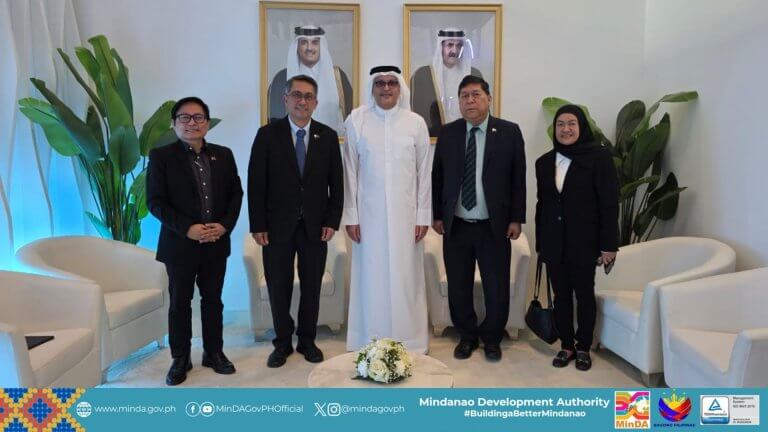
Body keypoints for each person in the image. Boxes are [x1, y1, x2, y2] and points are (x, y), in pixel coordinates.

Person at [147, 97, 243, 386]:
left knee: (213, 301)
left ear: (207, 122)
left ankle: (214, 353)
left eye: (198, 117)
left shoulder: (224, 155)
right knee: (180, 302)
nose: (192, 123)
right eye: (185, 117)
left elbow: (236, 194)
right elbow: (155, 202)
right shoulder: (162, 156)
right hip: (180, 245)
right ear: (174, 123)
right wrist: (187, 228)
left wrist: (224, 226)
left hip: (216, 242)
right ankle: (181, 357)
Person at [249, 75, 344, 368]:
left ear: (315, 102)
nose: (302, 101)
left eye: (308, 97)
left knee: (312, 286)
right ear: (286, 99)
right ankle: (282, 343)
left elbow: (337, 184)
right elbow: (256, 183)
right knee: (279, 286)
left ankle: (307, 340)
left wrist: (332, 220)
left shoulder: (327, 136)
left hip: (315, 227)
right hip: (276, 228)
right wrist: (258, 224)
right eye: (297, 95)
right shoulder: (267, 134)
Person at [432, 75, 526, 362]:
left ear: (488, 98)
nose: (470, 101)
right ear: (458, 102)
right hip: (457, 225)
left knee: (496, 287)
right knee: (458, 287)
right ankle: (467, 336)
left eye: (475, 95)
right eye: (464, 96)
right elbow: (438, 177)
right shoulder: (448, 133)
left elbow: (518, 179)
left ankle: (492, 339)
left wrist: (516, 218)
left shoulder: (509, 132)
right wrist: (437, 215)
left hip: (494, 227)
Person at [343, 66, 433, 354]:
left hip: (407, 218)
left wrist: (422, 215)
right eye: (380, 83)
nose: (385, 88)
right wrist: (351, 215)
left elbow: (424, 173)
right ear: (372, 87)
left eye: (391, 83)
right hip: (368, 218)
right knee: (370, 276)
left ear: (400, 88)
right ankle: (367, 338)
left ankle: (412, 340)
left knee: (407, 277)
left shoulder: (415, 123)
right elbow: (349, 172)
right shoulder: (357, 120)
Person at [535, 104, 619, 371]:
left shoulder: (599, 157)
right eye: (560, 124)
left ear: (581, 127)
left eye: (571, 123)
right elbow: (543, 205)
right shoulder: (544, 162)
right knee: (560, 296)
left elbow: (609, 203)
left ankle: (583, 347)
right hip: (554, 242)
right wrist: (541, 243)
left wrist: (609, 245)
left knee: (584, 295)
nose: (566, 129)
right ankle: (566, 346)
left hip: (585, 241)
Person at [267, 25, 353, 134]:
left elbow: (351, 120)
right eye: (304, 42)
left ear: (321, 46)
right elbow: (274, 122)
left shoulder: (338, 77)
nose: (309, 48)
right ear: (297, 46)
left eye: (315, 43)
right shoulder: (281, 78)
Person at [410, 28, 483, 136]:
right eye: (450, 45)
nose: (454, 50)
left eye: (458, 46)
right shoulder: (423, 74)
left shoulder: (474, 74)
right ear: (441, 47)